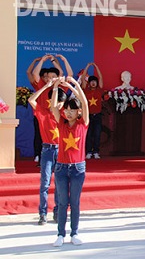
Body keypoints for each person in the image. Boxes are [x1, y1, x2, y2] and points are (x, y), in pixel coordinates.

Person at [50, 76, 89, 247]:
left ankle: (74, 233)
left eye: (72, 110)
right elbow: (53, 107)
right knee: (62, 202)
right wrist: (56, 87)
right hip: (61, 168)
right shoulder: (61, 124)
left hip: (77, 169)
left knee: (74, 202)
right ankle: (60, 234)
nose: (68, 112)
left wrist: (74, 86)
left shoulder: (83, 124)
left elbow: (85, 103)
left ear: (79, 112)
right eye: (67, 109)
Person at [28, 80, 67, 225]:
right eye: (56, 101)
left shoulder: (64, 116)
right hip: (47, 150)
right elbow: (31, 99)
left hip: (61, 151)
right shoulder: (43, 113)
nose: (59, 106)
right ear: (50, 100)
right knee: (45, 183)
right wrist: (46, 86)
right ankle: (42, 213)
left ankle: (57, 212)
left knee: (59, 184)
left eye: (61, 103)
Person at [81, 63, 104, 159]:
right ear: (89, 83)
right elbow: (82, 79)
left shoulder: (99, 90)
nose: (93, 83)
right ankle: (89, 152)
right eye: (91, 81)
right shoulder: (85, 90)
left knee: (97, 134)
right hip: (88, 116)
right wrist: (87, 67)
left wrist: (96, 67)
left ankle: (96, 152)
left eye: (95, 81)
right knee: (89, 134)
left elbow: (101, 77)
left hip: (98, 115)